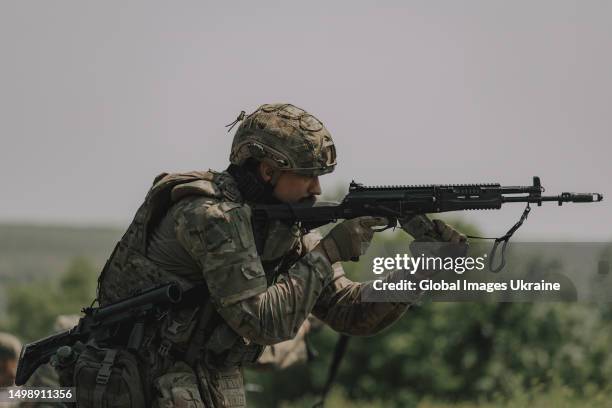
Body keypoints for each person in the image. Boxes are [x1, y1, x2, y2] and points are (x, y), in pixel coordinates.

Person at [87, 103, 466, 407]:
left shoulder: (284, 228)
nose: (318, 188)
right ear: (268, 172)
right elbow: (262, 323)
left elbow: (349, 312)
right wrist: (332, 249)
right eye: (308, 175)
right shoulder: (209, 217)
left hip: (200, 385)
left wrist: (423, 269)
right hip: (141, 382)